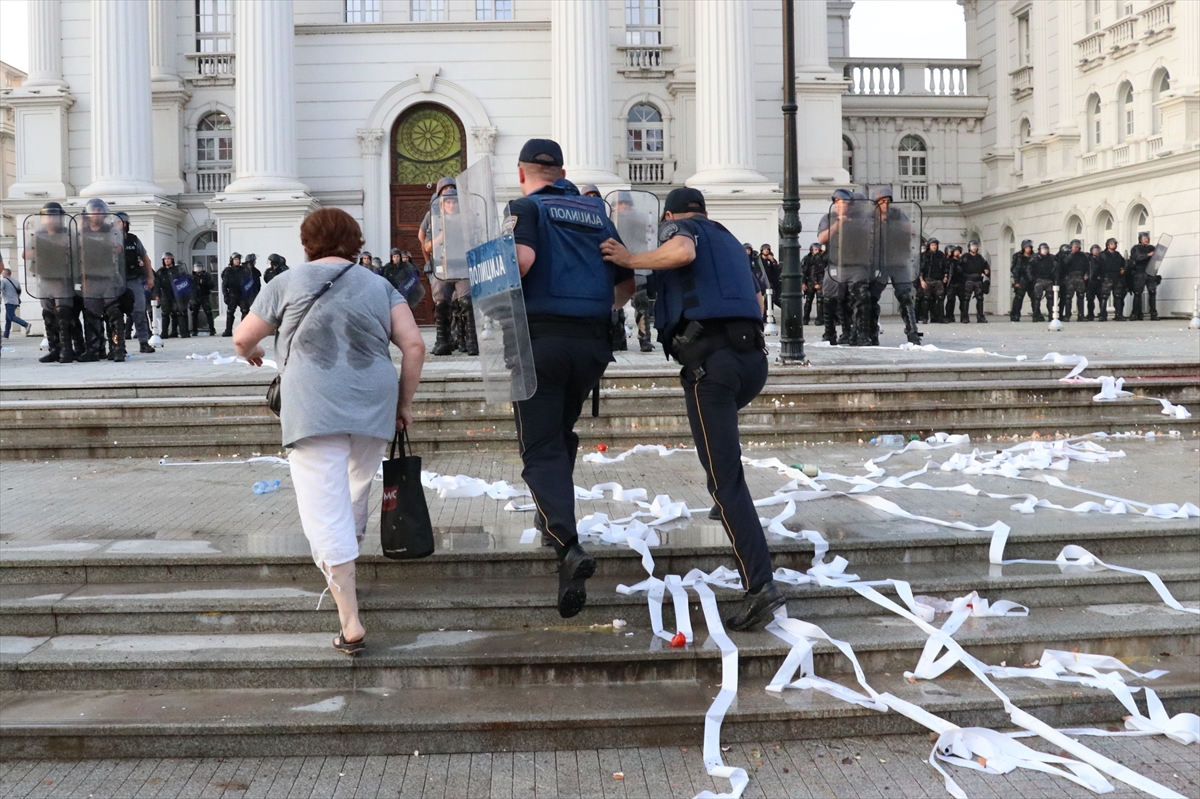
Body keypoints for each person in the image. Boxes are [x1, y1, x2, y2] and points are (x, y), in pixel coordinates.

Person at [233, 207, 425, 657]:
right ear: (355, 241)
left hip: (313, 404)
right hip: (373, 400)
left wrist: (256, 350)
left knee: (324, 508)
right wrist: (403, 403)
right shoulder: (380, 284)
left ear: (307, 242)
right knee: (354, 493)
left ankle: (350, 618)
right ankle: (347, 568)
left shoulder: (285, 282)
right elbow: (414, 345)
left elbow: (243, 339)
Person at [601, 187, 784, 631]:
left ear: (669, 215)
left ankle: (760, 586)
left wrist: (627, 259)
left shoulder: (679, 231)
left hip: (712, 367)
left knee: (726, 479)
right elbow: (755, 301)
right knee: (718, 458)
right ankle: (727, 507)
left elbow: (679, 252)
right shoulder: (724, 236)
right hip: (751, 363)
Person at [506, 138, 635, 618]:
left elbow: (521, 263)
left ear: (523, 173)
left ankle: (567, 542)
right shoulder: (596, 212)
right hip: (593, 345)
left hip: (539, 342)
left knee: (539, 446)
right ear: (560, 170)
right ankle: (553, 528)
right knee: (559, 435)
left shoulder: (525, 208)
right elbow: (625, 284)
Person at [420, 177, 476, 356]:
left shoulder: (467, 218)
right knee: (441, 304)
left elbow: (477, 238)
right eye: (447, 201)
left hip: (463, 265)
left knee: (466, 302)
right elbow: (426, 244)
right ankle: (443, 341)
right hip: (442, 265)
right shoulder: (434, 217)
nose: (451, 204)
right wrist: (441, 234)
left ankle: (470, 340)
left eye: (454, 200)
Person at [818, 188, 871, 345]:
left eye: (843, 202)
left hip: (856, 264)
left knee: (862, 298)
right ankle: (829, 332)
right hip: (836, 264)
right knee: (829, 298)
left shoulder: (861, 219)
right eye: (837, 202)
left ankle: (861, 333)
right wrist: (838, 223)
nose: (839, 205)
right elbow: (822, 238)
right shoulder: (829, 218)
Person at [872, 186, 921, 344]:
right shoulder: (871, 217)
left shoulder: (898, 214)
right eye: (881, 202)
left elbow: (912, 230)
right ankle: (872, 331)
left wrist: (907, 229)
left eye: (887, 201)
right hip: (879, 262)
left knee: (905, 295)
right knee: (871, 296)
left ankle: (912, 332)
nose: (885, 205)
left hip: (898, 260)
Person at [116, 211, 156, 353]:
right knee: (115, 314)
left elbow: (145, 259)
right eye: (119, 222)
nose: (122, 225)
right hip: (115, 281)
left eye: (124, 222)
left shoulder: (133, 239)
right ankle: (118, 345)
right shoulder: (107, 239)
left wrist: (150, 277)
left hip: (134, 280)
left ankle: (144, 342)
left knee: (139, 311)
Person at [158, 252, 191, 338]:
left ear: (172, 259)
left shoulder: (178, 270)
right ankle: (164, 333)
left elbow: (185, 281)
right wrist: (157, 296)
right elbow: (157, 284)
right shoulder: (161, 272)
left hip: (176, 294)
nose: (167, 260)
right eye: (165, 259)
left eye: (168, 258)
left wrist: (178, 281)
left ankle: (183, 332)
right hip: (165, 294)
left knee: (179, 312)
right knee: (165, 314)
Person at [1127, 231, 1158, 320]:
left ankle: (1153, 313)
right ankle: (1135, 313)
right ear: (1140, 239)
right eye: (1145, 238)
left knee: (1152, 292)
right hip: (1139, 272)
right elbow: (1137, 257)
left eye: (1147, 238)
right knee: (1137, 293)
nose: (1146, 240)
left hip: (1150, 272)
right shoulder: (1136, 248)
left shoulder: (1152, 248)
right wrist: (1148, 255)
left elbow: (1157, 259)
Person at [959, 240, 990, 323]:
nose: (975, 247)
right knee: (966, 299)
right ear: (969, 247)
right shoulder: (965, 257)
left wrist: (986, 270)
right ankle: (964, 316)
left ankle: (980, 317)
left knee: (980, 299)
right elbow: (959, 268)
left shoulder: (980, 258)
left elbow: (985, 266)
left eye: (976, 246)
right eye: (973, 246)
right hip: (968, 280)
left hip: (978, 280)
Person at [1095, 238, 1125, 321]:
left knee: (1118, 296)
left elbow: (1123, 263)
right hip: (1106, 277)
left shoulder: (1118, 254)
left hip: (1116, 277)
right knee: (1104, 296)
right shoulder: (1102, 255)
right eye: (1112, 244)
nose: (1114, 245)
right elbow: (1097, 266)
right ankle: (1103, 314)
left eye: (1115, 244)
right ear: (1108, 245)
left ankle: (1118, 314)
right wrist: (1098, 275)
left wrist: (1123, 268)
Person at [920, 238, 948, 324]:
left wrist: (945, 276)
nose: (934, 247)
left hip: (938, 280)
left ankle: (940, 317)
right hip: (927, 279)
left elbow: (945, 266)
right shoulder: (924, 255)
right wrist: (921, 280)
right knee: (926, 298)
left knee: (940, 298)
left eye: (935, 245)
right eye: (932, 245)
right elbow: (920, 268)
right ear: (929, 246)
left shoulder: (941, 255)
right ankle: (924, 317)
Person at [1061, 240, 1089, 322]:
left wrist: (1087, 274)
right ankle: (1067, 315)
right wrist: (1071, 254)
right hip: (1070, 277)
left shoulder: (1083, 256)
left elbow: (1087, 266)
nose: (1076, 248)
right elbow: (1065, 264)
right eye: (1074, 246)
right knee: (1068, 297)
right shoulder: (1067, 255)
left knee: (1080, 296)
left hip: (1080, 277)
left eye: (1077, 246)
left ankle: (1081, 315)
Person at [1029, 243, 1058, 322]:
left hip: (1049, 280)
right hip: (1039, 280)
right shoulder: (1035, 258)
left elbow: (1056, 268)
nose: (1045, 251)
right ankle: (1036, 315)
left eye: (1046, 249)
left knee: (1050, 298)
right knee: (1037, 298)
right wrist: (1032, 279)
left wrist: (1054, 279)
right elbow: (1029, 268)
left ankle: (1051, 315)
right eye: (1043, 249)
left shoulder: (1051, 258)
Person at [221, 252, 246, 337]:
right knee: (230, 312)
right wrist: (226, 296)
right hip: (232, 293)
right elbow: (224, 285)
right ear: (232, 260)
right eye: (235, 259)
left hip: (242, 293)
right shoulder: (228, 271)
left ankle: (244, 330)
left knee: (245, 311)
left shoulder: (243, 270)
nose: (237, 261)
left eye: (238, 259)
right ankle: (228, 330)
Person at [1009, 240, 1035, 322]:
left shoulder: (1034, 257)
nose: (1028, 249)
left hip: (1032, 280)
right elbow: (1015, 269)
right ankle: (1015, 315)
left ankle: (1037, 314)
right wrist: (1016, 282)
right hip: (1021, 280)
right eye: (1026, 248)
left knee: (1035, 298)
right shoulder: (1019, 257)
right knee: (1018, 298)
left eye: (1029, 247)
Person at [800, 243, 825, 326]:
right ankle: (805, 319)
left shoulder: (823, 258)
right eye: (816, 250)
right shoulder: (807, 259)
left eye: (819, 250)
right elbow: (803, 272)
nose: (817, 251)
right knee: (808, 301)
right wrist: (803, 283)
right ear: (812, 250)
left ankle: (819, 319)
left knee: (820, 301)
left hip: (820, 282)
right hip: (810, 282)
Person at [2, 268, 30, 339]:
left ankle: (26, 324)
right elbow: (19, 291)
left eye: (3, 273)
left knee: (11, 317)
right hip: (15, 301)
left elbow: (0, 289)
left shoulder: (4, 281)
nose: (2, 274)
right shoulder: (16, 281)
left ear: (6, 274)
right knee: (8, 318)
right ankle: (6, 334)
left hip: (8, 301)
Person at [191, 262, 217, 336]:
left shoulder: (207, 276)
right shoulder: (192, 277)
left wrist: (205, 283)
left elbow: (212, 285)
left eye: (199, 268)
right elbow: (190, 287)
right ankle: (194, 330)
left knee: (208, 312)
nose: (198, 270)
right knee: (194, 314)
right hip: (195, 297)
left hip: (205, 296)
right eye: (196, 268)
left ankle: (212, 329)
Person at [943, 245, 966, 323]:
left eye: (958, 251)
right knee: (950, 300)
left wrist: (962, 259)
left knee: (963, 300)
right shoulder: (949, 261)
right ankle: (949, 316)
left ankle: (964, 316)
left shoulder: (963, 261)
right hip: (952, 283)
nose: (957, 253)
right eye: (955, 251)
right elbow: (946, 270)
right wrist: (945, 277)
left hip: (961, 283)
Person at [1085, 244, 1103, 320]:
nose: (1096, 252)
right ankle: (1090, 314)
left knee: (1101, 298)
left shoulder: (1102, 259)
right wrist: (1086, 274)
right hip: (1090, 281)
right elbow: (1085, 267)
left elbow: (1104, 268)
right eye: (1094, 250)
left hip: (1099, 281)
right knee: (1090, 299)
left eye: (1097, 250)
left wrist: (1101, 276)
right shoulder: (1088, 259)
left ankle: (1102, 313)